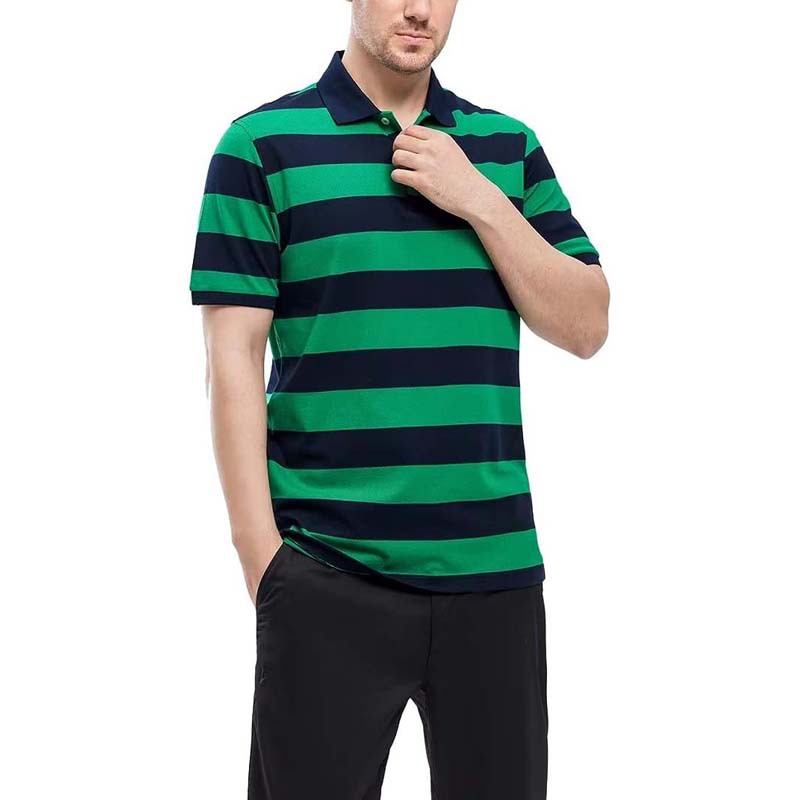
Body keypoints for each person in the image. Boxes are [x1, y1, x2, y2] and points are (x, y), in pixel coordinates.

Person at [189, 1, 609, 797]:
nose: (418, 9)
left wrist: (479, 198)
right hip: (327, 572)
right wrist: (263, 560)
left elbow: (587, 324)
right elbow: (231, 356)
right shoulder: (262, 146)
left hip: (495, 578)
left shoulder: (506, 148)